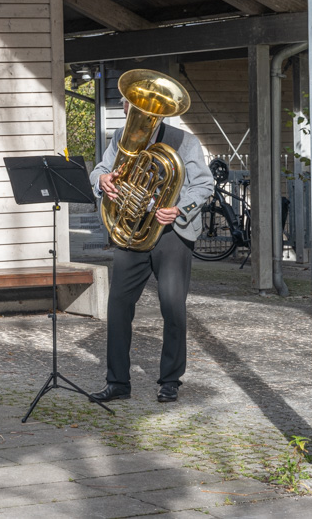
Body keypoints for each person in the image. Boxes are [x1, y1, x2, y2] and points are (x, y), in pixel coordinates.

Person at [88, 101, 213, 403]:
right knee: (118, 306)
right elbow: (101, 171)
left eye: (142, 107)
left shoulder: (185, 141)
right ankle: (117, 381)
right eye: (130, 106)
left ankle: (170, 379)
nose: (136, 113)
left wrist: (180, 209)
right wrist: (101, 181)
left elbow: (204, 185)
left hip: (171, 232)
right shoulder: (120, 137)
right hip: (132, 229)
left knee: (172, 307)